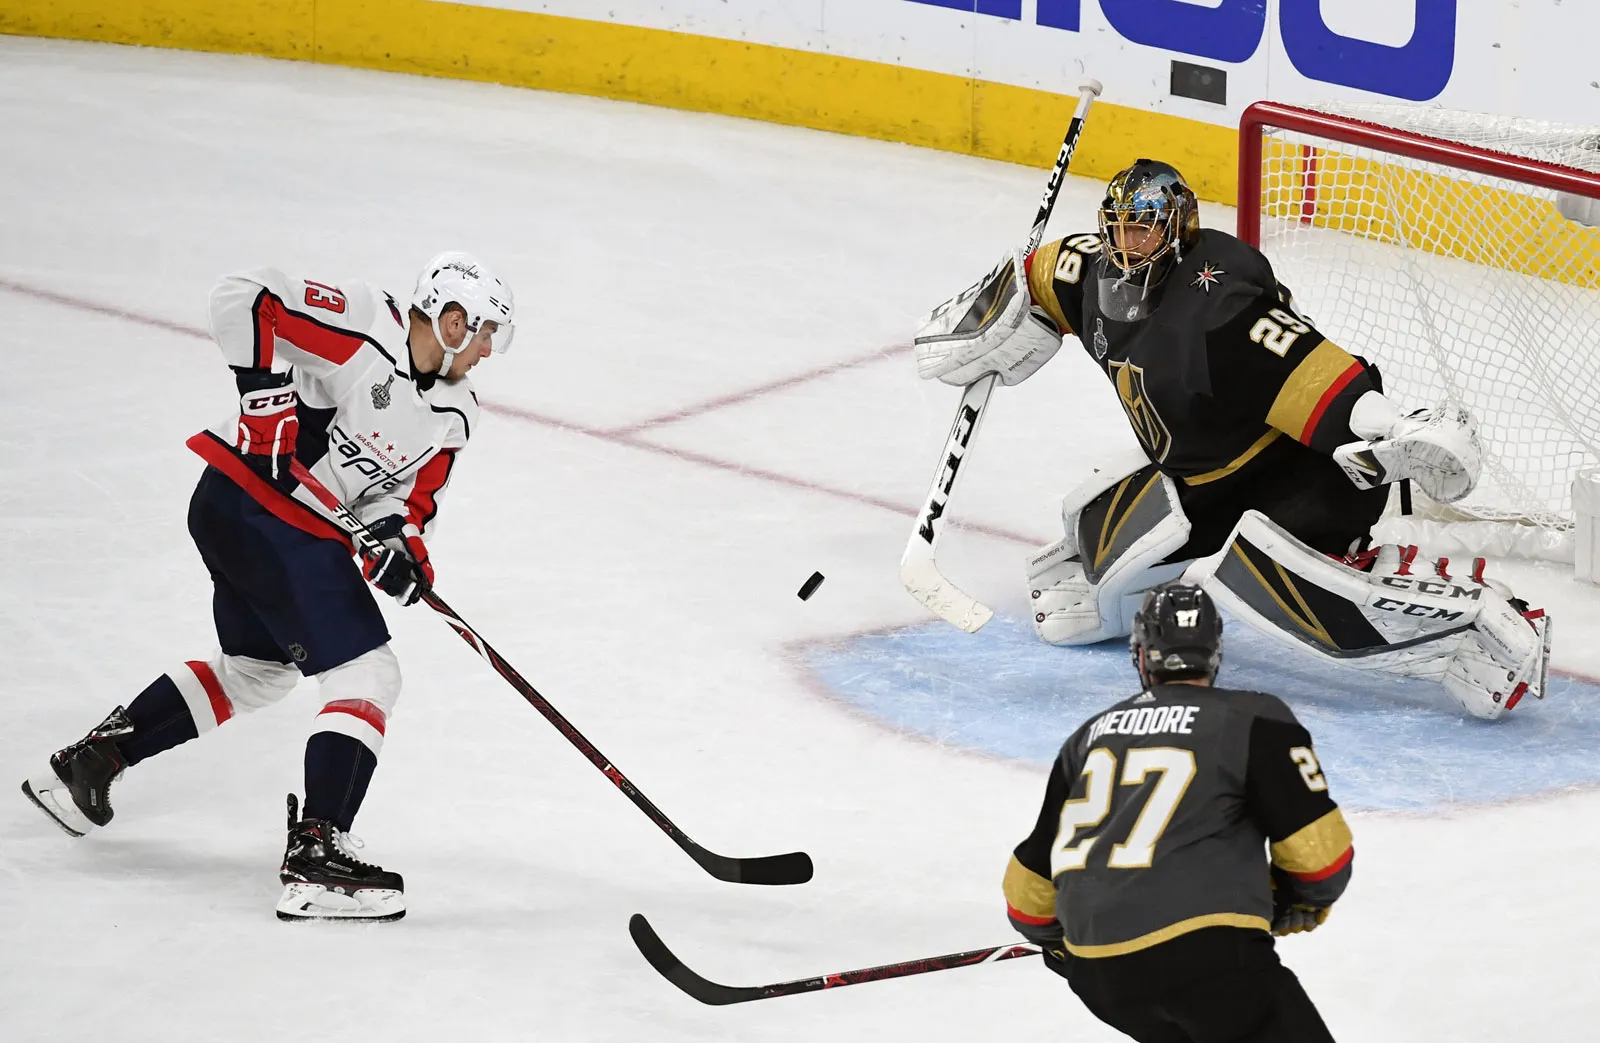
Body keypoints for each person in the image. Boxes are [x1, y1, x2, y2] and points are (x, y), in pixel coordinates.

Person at [915, 159, 1550, 719]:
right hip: (1202, 475)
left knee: (1252, 579)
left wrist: (1396, 428)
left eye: (1143, 229)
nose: (1126, 245)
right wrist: (987, 320)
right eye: (1117, 227)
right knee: (1087, 597)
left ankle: (1474, 627)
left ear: (1177, 231)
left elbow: (1315, 376)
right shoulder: (1088, 271)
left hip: (1299, 478)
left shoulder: (1217, 311)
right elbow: (1038, 275)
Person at [21, 252, 515, 922]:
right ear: (453, 320)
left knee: (257, 671)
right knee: (368, 673)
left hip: (253, 521)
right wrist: (263, 392)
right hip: (260, 505)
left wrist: (400, 547)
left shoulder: (455, 414)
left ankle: (90, 763)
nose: (488, 350)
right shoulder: (369, 324)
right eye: (485, 331)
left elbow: (404, 504)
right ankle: (317, 856)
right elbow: (245, 296)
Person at [1003, 584, 1348, 1042]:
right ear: (1214, 653)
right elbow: (1321, 860)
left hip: (1103, 978)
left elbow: (1028, 900)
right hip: (1210, 960)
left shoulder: (1088, 739)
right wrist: (1292, 900)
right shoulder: (1254, 717)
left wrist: (1072, 946)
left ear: (1142, 655)